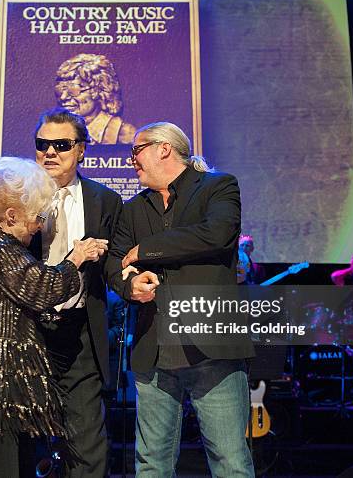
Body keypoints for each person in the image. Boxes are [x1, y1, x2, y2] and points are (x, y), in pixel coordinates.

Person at [0, 108, 123, 477]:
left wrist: (130, 282)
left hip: (78, 336)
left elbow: (113, 265)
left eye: (61, 144)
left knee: (86, 446)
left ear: (82, 150)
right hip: (24, 337)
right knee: (17, 449)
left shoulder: (105, 201)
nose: (50, 152)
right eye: (42, 144)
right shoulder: (13, 195)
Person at [106, 122, 255, 477]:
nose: (131, 161)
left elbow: (216, 234)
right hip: (153, 349)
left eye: (136, 151)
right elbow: (115, 261)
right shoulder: (132, 209)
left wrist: (146, 250)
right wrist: (130, 285)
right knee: (151, 464)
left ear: (163, 148)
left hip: (212, 348)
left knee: (231, 462)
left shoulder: (219, 186)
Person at [55, 54, 136, 145]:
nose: (63, 97)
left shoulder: (125, 136)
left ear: (99, 90)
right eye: (60, 90)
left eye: (73, 90)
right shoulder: (56, 133)